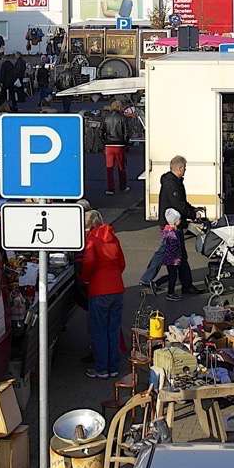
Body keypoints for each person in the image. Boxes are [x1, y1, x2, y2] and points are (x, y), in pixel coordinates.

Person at [79, 209, 126, 379]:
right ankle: (113, 367)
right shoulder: (113, 238)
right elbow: (122, 263)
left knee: (99, 331)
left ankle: (101, 368)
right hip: (117, 288)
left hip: (99, 289)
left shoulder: (93, 239)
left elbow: (89, 262)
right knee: (113, 330)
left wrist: (85, 278)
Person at [145, 156, 199, 294]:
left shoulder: (174, 182)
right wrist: (193, 214)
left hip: (173, 224)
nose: (185, 170)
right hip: (172, 225)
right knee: (171, 256)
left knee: (172, 254)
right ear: (179, 168)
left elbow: (181, 202)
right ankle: (166, 286)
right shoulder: (172, 184)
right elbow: (178, 204)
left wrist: (192, 210)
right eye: (184, 168)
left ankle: (184, 285)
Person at [101, 102, 131, 195]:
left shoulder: (106, 117)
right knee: (121, 167)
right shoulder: (122, 117)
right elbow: (126, 132)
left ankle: (110, 188)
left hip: (108, 145)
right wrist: (126, 143)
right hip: (119, 145)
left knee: (109, 168)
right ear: (119, 107)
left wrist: (104, 142)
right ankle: (123, 186)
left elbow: (101, 131)